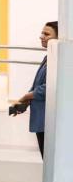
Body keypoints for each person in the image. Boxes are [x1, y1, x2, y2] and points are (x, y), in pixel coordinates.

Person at [12, 21, 57, 158]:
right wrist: (26, 102)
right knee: (46, 158)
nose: (41, 37)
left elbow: (50, 87)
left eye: (46, 34)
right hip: (41, 118)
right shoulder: (48, 57)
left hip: (50, 120)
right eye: (42, 33)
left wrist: (27, 96)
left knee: (50, 159)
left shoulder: (60, 60)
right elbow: (37, 84)